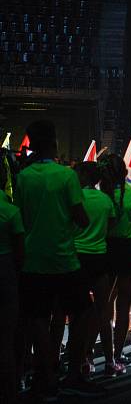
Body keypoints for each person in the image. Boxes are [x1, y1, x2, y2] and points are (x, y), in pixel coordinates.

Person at [16, 120, 102, 398]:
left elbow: (23, 216)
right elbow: (80, 216)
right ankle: (74, 372)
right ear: (53, 142)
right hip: (64, 258)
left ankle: (47, 373)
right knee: (84, 312)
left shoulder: (23, 177)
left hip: (33, 260)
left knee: (39, 318)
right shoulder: (66, 176)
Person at [71, 162, 121, 376]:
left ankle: (80, 361)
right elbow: (110, 226)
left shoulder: (75, 199)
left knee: (77, 313)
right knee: (103, 311)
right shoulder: (105, 201)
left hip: (77, 259)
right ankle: (109, 362)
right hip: (99, 258)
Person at [101, 153, 131, 368]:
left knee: (103, 305)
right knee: (123, 305)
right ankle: (117, 355)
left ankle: (95, 356)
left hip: (106, 252)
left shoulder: (101, 196)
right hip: (128, 252)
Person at [0, 157, 24, 404]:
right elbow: (20, 251)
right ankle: (13, 385)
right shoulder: (11, 211)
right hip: (7, 272)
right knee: (9, 334)